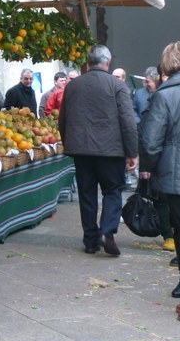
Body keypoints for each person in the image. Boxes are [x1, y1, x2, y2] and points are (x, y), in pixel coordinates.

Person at [58, 45, 138, 257]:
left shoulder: (73, 86)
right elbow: (128, 122)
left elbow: (63, 119)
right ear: (107, 62)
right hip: (111, 150)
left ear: (88, 61)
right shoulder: (117, 85)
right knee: (112, 191)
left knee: (87, 194)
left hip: (81, 150)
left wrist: (69, 143)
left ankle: (90, 241)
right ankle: (107, 232)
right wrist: (132, 152)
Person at [139, 42, 180, 314]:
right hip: (179, 171)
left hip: (177, 175)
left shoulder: (164, 95)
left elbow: (150, 141)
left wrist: (148, 167)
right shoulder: (165, 94)